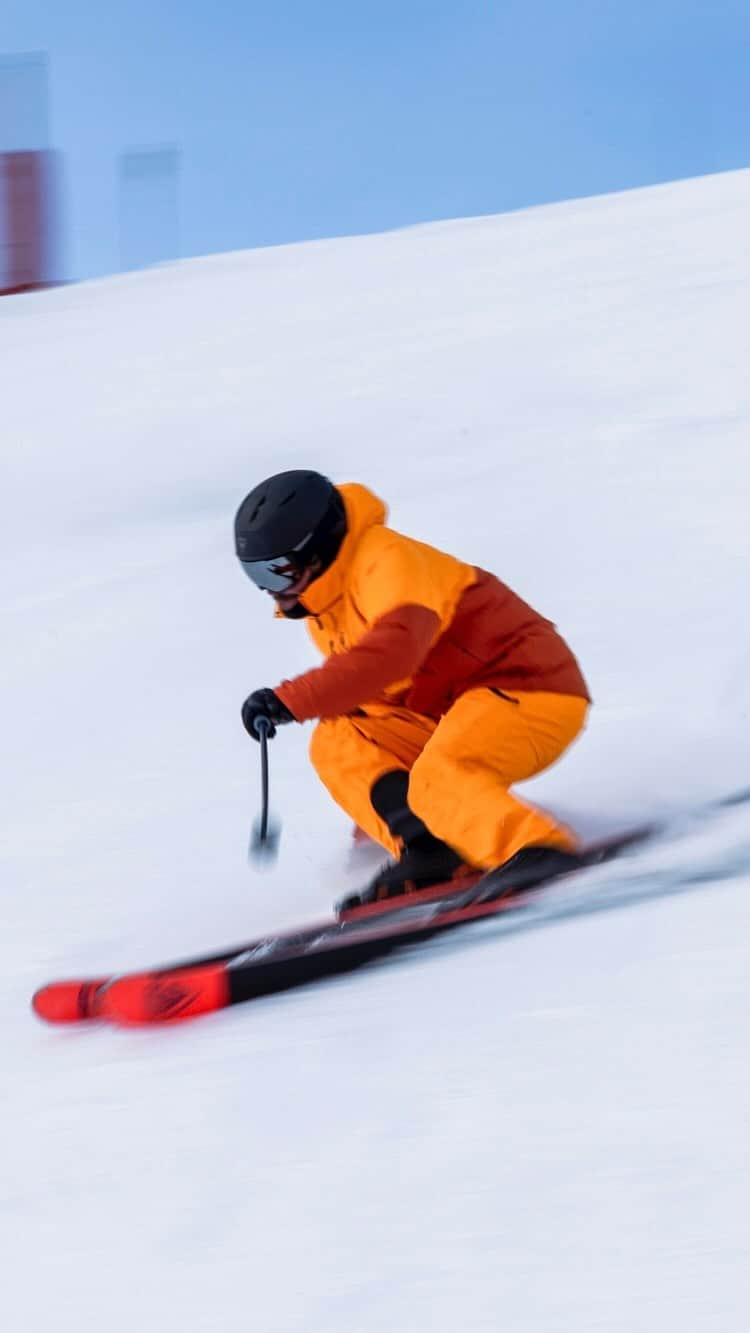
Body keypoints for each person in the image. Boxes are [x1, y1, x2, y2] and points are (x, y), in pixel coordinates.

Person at [236, 470, 591, 908]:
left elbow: (395, 651)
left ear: (319, 549)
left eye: (278, 572)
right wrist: (380, 811)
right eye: (257, 577)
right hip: (454, 710)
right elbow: (373, 694)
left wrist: (291, 698)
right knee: (337, 738)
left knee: (439, 775)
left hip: (527, 690)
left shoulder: (386, 560)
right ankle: (430, 849)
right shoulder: (324, 606)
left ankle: (536, 849)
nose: (272, 592)